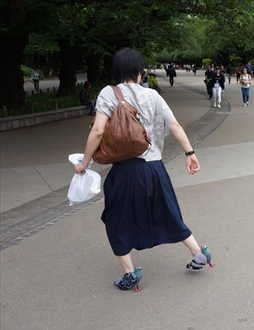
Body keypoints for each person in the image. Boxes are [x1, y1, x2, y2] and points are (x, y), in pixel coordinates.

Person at [74, 48, 212, 291]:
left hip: (127, 171)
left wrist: (85, 163)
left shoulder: (108, 93)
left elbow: (97, 131)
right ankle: (199, 252)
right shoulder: (153, 96)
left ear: (116, 71)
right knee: (168, 212)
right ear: (140, 71)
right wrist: (190, 154)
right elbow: (175, 125)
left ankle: (130, 273)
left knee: (116, 219)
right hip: (155, 169)